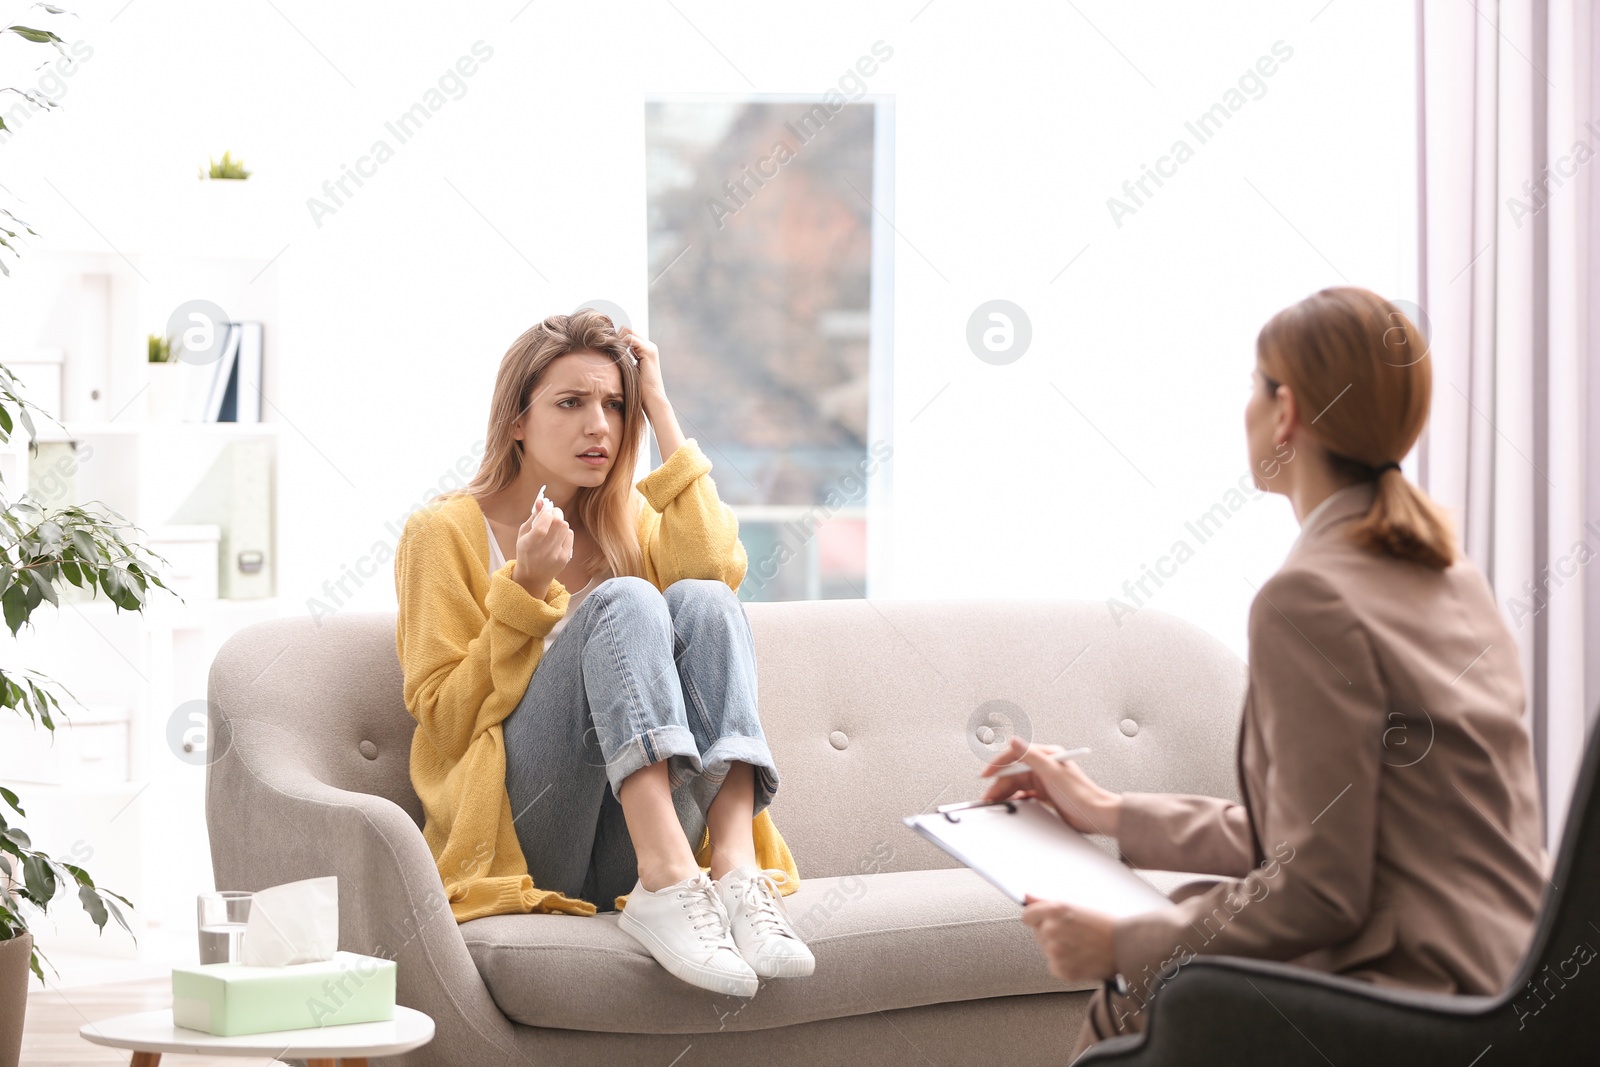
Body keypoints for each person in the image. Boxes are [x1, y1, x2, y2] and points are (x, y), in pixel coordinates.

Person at [978, 286, 1550, 1059]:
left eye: (1255, 384)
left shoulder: (1307, 597)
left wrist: (1124, 945)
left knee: (1142, 991)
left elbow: (1319, 886)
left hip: (1418, 993)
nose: (1246, 407)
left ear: (1288, 412)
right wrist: (1110, 811)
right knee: (1182, 930)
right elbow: (1335, 833)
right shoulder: (1448, 571)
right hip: (1509, 971)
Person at [393, 309, 814, 999]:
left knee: (706, 601)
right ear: (517, 421)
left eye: (616, 406)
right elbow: (442, 718)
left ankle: (732, 869)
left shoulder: (632, 525)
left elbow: (714, 568)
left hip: (634, 846)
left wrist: (662, 406)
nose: (600, 426)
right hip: (530, 836)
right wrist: (524, 589)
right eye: (571, 402)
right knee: (625, 602)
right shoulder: (442, 532)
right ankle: (671, 880)